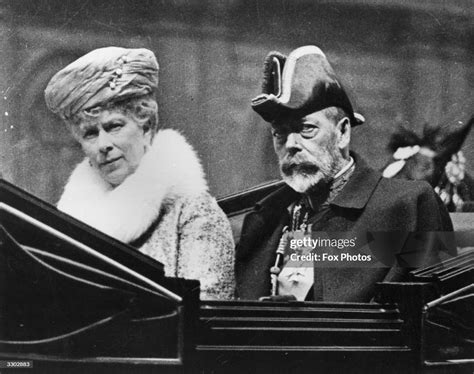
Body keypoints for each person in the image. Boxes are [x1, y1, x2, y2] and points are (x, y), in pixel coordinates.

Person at [236, 45, 454, 302]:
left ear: (343, 133)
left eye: (306, 129)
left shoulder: (407, 207)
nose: (291, 144)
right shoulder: (264, 220)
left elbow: (437, 322)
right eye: (279, 133)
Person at [44, 47, 235, 300]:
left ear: (146, 125)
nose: (103, 145)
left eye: (114, 126)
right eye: (90, 133)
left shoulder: (194, 215)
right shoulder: (69, 227)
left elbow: (202, 320)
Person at [382, 118, 474, 212]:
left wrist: (461, 181)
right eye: (420, 162)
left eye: (433, 163)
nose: (429, 168)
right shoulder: (394, 174)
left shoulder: (448, 181)